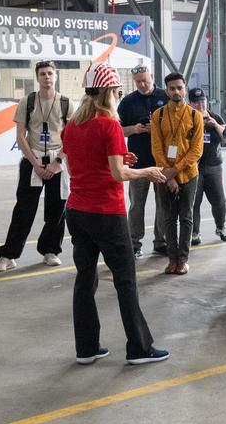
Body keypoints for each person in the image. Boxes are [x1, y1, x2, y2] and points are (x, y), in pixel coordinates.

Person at [62, 62, 169, 366]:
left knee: (85, 279)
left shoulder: (73, 125)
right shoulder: (108, 124)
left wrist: (120, 158)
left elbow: (79, 166)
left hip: (77, 210)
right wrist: (145, 170)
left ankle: (87, 348)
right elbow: (118, 174)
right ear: (108, 92)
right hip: (106, 213)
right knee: (125, 280)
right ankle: (139, 347)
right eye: (118, 92)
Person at [0, 60, 71, 272]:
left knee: (57, 210)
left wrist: (57, 162)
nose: (47, 77)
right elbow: (20, 136)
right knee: (23, 210)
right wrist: (35, 164)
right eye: (43, 74)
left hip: (58, 162)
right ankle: (8, 256)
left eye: (50, 73)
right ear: (37, 77)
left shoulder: (66, 103)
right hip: (32, 161)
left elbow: (72, 138)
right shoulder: (27, 102)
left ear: (55, 76)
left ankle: (50, 250)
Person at [151, 72, 203, 275]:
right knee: (168, 218)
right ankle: (171, 259)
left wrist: (174, 172)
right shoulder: (158, 115)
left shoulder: (194, 115)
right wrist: (167, 175)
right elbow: (156, 148)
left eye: (179, 88)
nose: (176, 91)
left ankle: (183, 259)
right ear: (166, 91)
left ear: (185, 89)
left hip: (188, 174)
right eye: (172, 88)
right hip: (163, 175)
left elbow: (196, 150)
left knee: (186, 217)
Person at [117, 64, 168, 258]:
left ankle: (160, 242)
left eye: (145, 80)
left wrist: (158, 130)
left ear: (152, 76)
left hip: (161, 161)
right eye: (138, 82)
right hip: (137, 162)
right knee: (137, 205)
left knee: (163, 204)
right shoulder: (128, 102)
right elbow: (118, 130)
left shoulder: (165, 96)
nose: (142, 84)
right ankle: (134, 243)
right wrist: (135, 129)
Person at [189, 88, 226, 247]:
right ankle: (195, 232)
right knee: (194, 201)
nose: (200, 105)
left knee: (219, 200)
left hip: (214, 165)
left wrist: (215, 125)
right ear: (190, 103)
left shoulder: (215, 117)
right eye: (196, 102)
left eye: (202, 102)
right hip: (194, 166)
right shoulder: (187, 117)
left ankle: (221, 227)